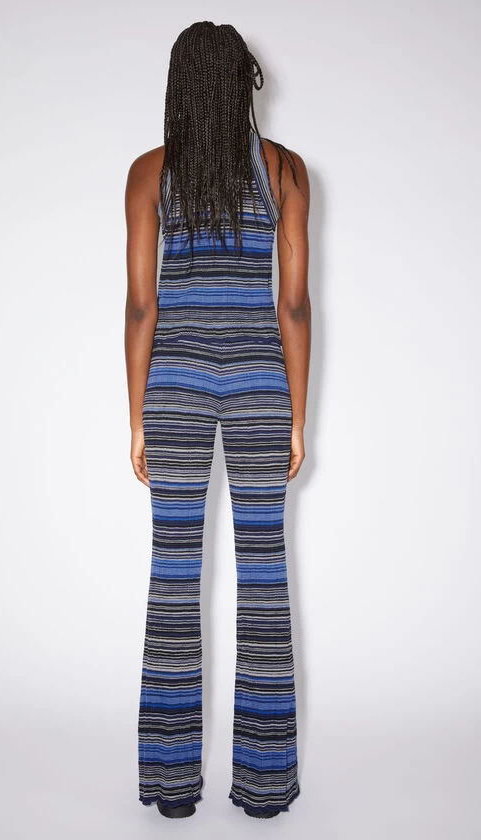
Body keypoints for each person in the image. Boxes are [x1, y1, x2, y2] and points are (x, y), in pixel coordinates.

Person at [124, 21, 310, 820]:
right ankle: (265, 789)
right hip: (262, 384)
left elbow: (142, 305)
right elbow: (293, 303)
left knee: (173, 579)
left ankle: (171, 789)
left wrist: (137, 420)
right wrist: (296, 418)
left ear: (180, 88)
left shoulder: (149, 172)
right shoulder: (284, 170)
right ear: (242, 85)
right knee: (264, 579)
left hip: (174, 385)